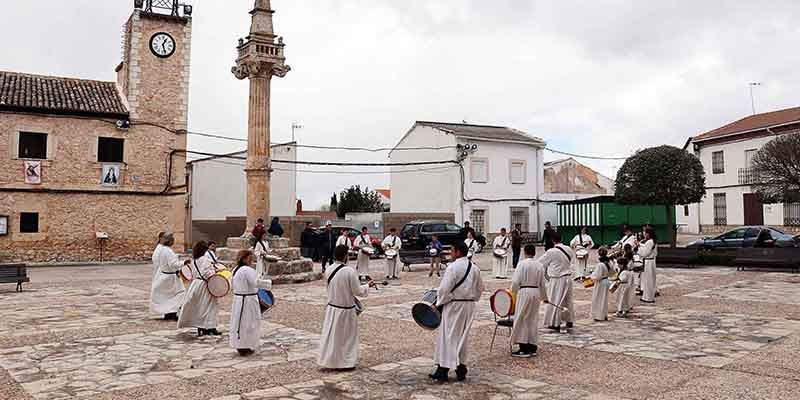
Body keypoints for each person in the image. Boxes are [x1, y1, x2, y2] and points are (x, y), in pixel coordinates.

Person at [430, 241, 484, 382]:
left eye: (452, 250)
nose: (451, 253)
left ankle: (443, 369)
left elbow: (444, 289)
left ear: (458, 252)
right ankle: (461, 368)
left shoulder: (452, 267)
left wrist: (440, 302)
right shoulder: (474, 268)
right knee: (462, 337)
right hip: (469, 306)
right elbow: (480, 289)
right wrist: (472, 299)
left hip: (454, 306)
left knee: (449, 336)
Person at [318, 245, 375, 369]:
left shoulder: (328, 269)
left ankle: (331, 361)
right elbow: (358, 291)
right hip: (346, 310)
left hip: (332, 308)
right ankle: (346, 362)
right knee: (347, 338)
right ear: (345, 256)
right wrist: (367, 286)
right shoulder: (349, 271)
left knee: (333, 337)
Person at [229, 249, 273, 356]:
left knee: (241, 323)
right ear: (245, 258)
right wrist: (270, 282)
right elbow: (256, 282)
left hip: (240, 300)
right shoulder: (246, 270)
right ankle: (245, 346)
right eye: (249, 258)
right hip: (247, 301)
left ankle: (242, 345)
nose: (251, 260)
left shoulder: (236, 269)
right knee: (248, 323)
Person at [510, 244, 548, 357]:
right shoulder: (539, 265)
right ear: (534, 253)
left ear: (525, 252)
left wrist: (513, 292)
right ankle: (532, 345)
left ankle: (523, 347)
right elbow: (543, 283)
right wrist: (544, 297)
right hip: (535, 292)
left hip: (524, 292)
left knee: (522, 318)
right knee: (532, 318)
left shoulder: (522, 264)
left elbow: (516, 281)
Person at [178, 241, 222, 336]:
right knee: (209, 306)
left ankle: (201, 327)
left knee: (200, 306)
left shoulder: (194, 260)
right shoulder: (205, 260)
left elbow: (193, 273)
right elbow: (207, 273)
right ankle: (210, 327)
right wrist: (215, 272)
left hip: (196, 284)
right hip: (205, 285)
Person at [540, 231, 575, 332]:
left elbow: (540, 263)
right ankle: (569, 320)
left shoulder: (551, 251)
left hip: (557, 278)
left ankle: (555, 323)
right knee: (568, 300)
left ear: (552, 240)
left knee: (555, 300)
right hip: (568, 277)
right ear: (561, 239)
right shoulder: (568, 249)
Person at [150, 232, 188, 321]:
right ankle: (172, 312)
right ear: (170, 241)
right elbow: (173, 264)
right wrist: (184, 263)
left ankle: (169, 313)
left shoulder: (160, 249)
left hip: (163, 275)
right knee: (179, 294)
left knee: (167, 297)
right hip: (170, 277)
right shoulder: (168, 251)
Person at [590, 247, 612, 322]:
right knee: (604, 299)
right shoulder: (609, 262)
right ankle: (604, 315)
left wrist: (591, 275)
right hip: (606, 281)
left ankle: (599, 316)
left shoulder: (600, 265)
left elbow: (597, 276)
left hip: (601, 283)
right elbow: (612, 273)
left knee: (598, 299)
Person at [638, 229, 658, 303]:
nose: (644, 235)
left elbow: (645, 253)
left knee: (648, 280)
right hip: (651, 261)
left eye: (645, 233)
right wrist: (639, 244)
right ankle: (647, 296)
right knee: (650, 279)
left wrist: (638, 249)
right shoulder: (652, 241)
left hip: (648, 261)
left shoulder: (650, 242)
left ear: (648, 234)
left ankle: (648, 297)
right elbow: (646, 247)